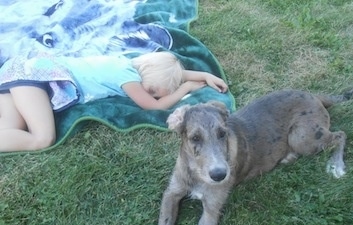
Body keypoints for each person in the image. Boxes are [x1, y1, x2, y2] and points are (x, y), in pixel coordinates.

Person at [0, 51, 228, 152]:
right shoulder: (127, 77)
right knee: (42, 138)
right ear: (146, 74)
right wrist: (186, 88)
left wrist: (206, 76)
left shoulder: (128, 63)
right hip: (35, 78)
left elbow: (169, 74)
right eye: (152, 89)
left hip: (21, 70)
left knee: (12, 129)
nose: (150, 93)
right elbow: (153, 106)